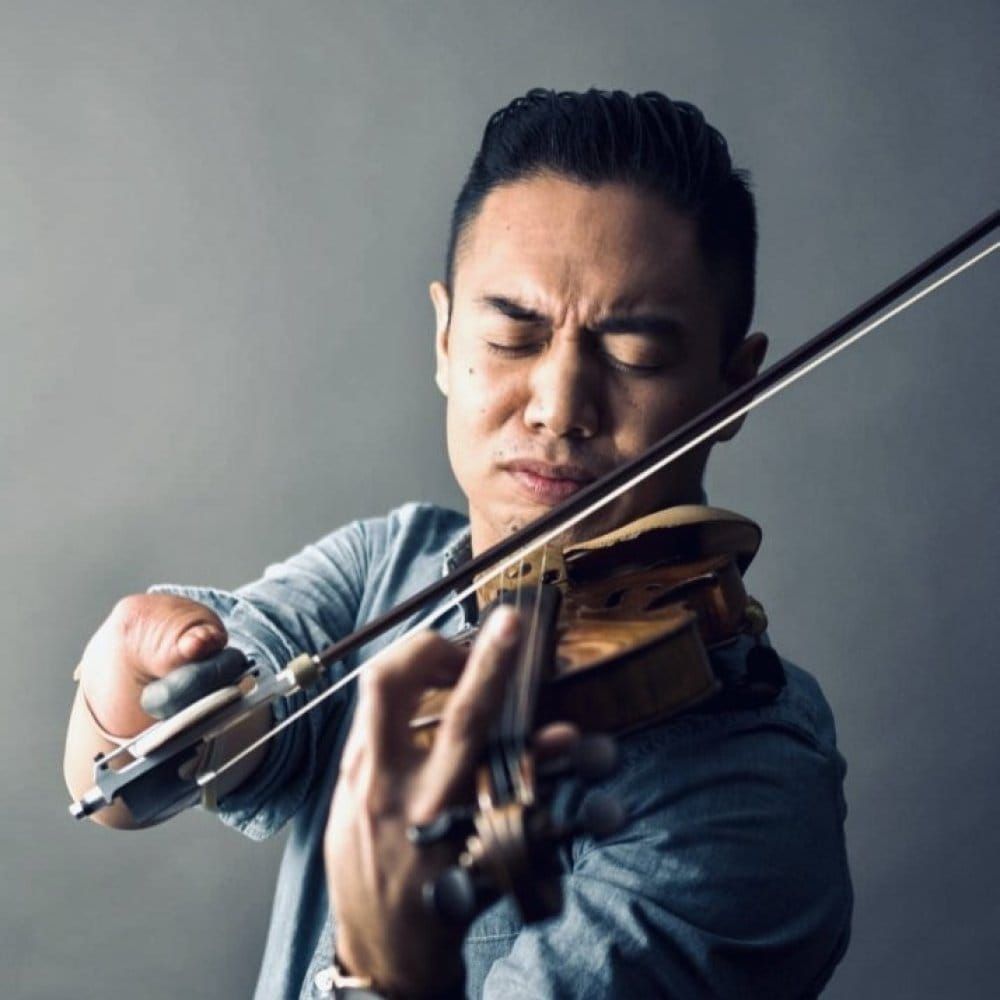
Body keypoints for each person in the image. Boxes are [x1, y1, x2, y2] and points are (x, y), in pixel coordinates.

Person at [64, 89, 852, 998]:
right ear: (444, 338)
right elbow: (126, 789)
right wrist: (131, 675)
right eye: (513, 336)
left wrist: (381, 972)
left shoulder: (748, 803)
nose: (558, 406)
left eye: (635, 358)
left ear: (734, 390)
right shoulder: (386, 568)